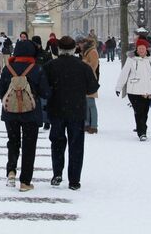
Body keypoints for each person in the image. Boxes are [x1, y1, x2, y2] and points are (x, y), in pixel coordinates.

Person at [44, 36, 100, 190]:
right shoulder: (82, 67)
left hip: (56, 109)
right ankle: (74, 179)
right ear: (74, 49)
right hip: (76, 110)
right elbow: (92, 88)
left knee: (57, 142)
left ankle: (57, 173)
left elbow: (43, 88)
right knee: (76, 145)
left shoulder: (50, 66)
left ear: (59, 49)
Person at [0, 40, 50, 192]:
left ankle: (11, 170)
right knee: (29, 146)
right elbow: (46, 92)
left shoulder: (8, 69)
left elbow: (0, 90)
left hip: (10, 113)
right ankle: (25, 181)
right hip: (31, 113)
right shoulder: (37, 69)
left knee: (13, 142)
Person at [115, 38, 151, 141]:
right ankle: (141, 132)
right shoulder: (131, 59)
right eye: (139, 48)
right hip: (134, 91)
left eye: (143, 48)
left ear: (146, 49)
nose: (141, 50)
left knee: (145, 112)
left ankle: (143, 129)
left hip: (148, 90)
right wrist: (119, 87)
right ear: (136, 49)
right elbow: (124, 73)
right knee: (139, 111)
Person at [80, 38, 100, 134]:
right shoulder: (86, 52)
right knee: (86, 103)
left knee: (91, 103)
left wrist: (83, 63)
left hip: (90, 79)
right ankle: (87, 124)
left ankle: (93, 125)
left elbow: (93, 65)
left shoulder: (92, 52)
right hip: (85, 79)